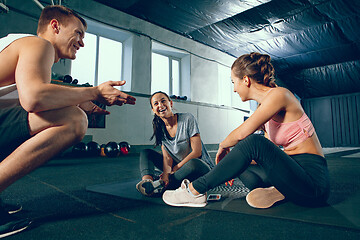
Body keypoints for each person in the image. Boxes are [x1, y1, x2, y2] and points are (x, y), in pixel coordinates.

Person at [0, 5, 136, 238]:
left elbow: (38, 94)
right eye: (78, 33)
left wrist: (78, 98)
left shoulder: (21, 46)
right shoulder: (38, 45)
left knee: (68, 110)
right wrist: (92, 92)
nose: (82, 43)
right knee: (73, 120)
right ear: (55, 26)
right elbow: (35, 98)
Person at [162, 52, 330, 208]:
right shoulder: (264, 108)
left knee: (253, 142)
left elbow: (244, 133)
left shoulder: (280, 95)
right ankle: (282, 191)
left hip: (313, 184)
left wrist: (223, 146)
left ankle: (194, 191)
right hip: (291, 175)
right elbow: (265, 156)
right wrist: (229, 168)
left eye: (233, 82)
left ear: (246, 80)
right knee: (243, 165)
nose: (234, 89)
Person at [136, 91, 214, 197]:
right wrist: (166, 173)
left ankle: (165, 183)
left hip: (199, 167)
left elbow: (197, 152)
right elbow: (167, 158)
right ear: (153, 110)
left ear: (170, 103)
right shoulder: (160, 128)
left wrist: (176, 168)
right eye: (156, 104)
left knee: (193, 164)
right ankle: (148, 183)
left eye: (163, 101)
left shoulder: (187, 119)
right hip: (177, 169)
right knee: (146, 153)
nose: (160, 105)